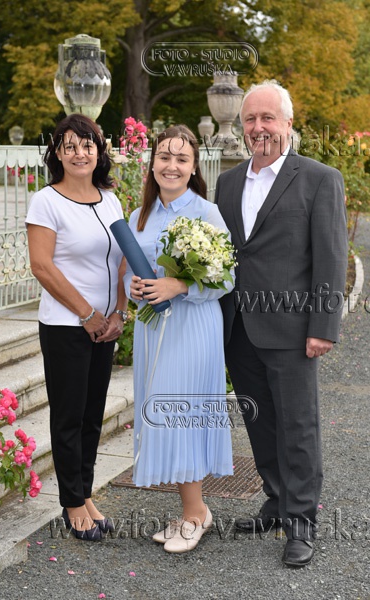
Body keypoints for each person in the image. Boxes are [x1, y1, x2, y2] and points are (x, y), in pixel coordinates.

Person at [215, 80, 348, 566]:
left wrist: (323, 326)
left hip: (293, 330)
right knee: (260, 421)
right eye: (250, 119)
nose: (258, 127)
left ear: (288, 123)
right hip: (239, 328)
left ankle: (301, 522)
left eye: (267, 118)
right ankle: (275, 500)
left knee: (298, 426)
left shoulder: (319, 179)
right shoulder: (229, 182)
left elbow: (331, 257)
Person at [124, 125, 234, 554]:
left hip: (193, 327)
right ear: (153, 163)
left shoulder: (207, 212)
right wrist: (137, 289)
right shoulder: (139, 216)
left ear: (193, 167)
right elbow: (135, 273)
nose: (172, 165)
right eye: (165, 157)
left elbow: (227, 278)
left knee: (181, 412)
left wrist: (181, 286)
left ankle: (195, 514)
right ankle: (192, 509)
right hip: (152, 327)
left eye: (182, 159)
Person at [26, 114, 128, 541]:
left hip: (105, 326)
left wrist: (119, 313)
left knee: (92, 416)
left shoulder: (110, 200)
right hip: (67, 325)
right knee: (69, 416)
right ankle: (71, 503)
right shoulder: (46, 201)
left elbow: (122, 261)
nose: (79, 153)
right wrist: (87, 314)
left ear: (99, 151)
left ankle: (85, 494)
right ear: (58, 153)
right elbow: (42, 266)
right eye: (69, 145)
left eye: (87, 145)